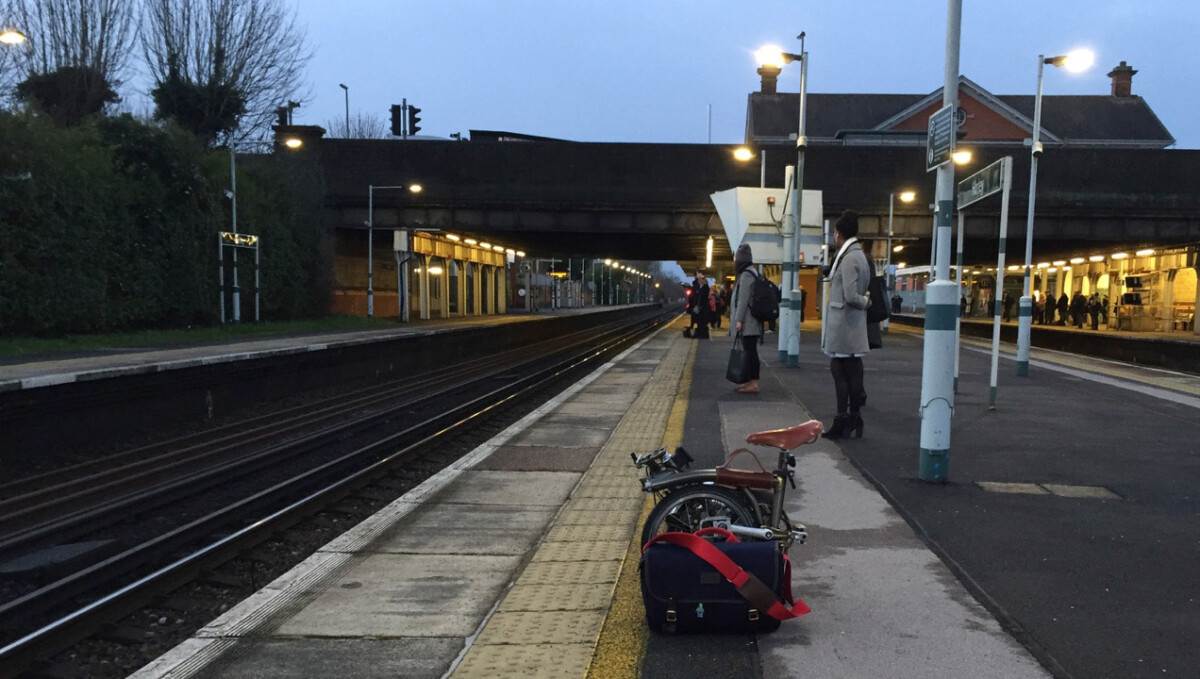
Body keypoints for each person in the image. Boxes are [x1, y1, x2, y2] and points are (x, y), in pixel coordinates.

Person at [820, 210, 871, 439]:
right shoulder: (859, 255)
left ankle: (844, 420)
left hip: (845, 325)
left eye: (834, 233)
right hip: (850, 324)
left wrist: (866, 301)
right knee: (850, 371)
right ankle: (852, 418)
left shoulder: (849, 258)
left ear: (839, 233)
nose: (834, 237)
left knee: (840, 371)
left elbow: (851, 296)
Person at [730, 243, 762, 394]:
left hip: (748, 321)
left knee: (750, 352)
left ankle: (753, 383)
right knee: (750, 351)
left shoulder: (746, 275)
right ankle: (750, 381)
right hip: (752, 320)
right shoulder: (753, 272)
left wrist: (738, 320)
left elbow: (743, 300)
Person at [690, 270, 711, 339]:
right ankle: (700, 333)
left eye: (701, 279)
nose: (700, 280)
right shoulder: (698, 286)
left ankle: (703, 334)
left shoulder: (705, 287)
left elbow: (703, 295)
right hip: (698, 306)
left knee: (702, 321)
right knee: (699, 321)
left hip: (703, 307)